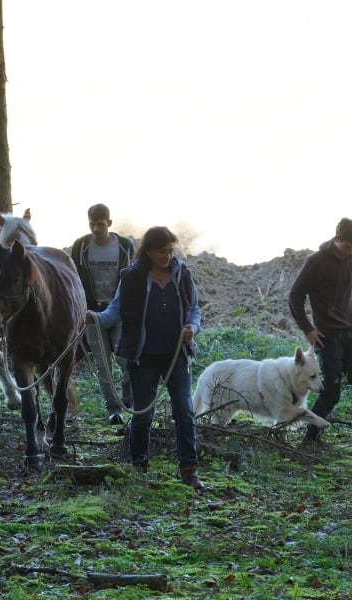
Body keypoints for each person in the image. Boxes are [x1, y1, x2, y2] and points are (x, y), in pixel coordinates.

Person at [86, 226, 205, 490]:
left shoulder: (182, 274)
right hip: (143, 356)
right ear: (149, 251)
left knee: (184, 411)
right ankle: (138, 465)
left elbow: (194, 310)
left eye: (170, 250)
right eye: (162, 251)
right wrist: (96, 319)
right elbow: (115, 310)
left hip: (177, 356)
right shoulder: (131, 277)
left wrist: (192, 328)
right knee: (143, 414)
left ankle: (189, 469)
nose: (167, 256)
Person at [288, 218, 352, 458]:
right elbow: (295, 296)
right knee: (331, 391)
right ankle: (310, 437)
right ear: (336, 240)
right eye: (347, 247)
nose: (351, 252)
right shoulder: (315, 262)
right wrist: (308, 329)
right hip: (327, 338)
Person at [70, 204, 136, 425]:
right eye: (92, 224)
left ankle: (130, 400)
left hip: (119, 310)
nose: (96, 229)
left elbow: (132, 277)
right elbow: (75, 281)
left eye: (100, 224)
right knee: (102, 363)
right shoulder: (80, 247)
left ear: (109, 223)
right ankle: (113, 409)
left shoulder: (125, 246)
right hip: (92, 313)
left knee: (125, 357)